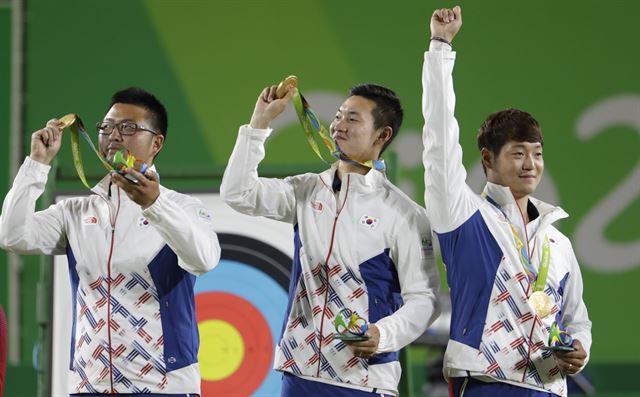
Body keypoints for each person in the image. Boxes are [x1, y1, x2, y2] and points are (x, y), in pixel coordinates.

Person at [221, 83, 441, 396]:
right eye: (338, 116)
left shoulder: (405, 214)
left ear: (382, 135)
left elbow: (424, 299)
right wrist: (259, 124)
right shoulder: (305, 192)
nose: (338, 125)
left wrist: (383, 334)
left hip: (364, 381)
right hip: (299, 372)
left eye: (353, 119)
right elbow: (237, 193)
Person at [0, 87, 221, 396]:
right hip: (88, 386)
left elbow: (205, 259)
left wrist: (155, 205)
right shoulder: (76, 212)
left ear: (156, 143)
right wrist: (37, 164)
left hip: (163, 388)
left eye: (129, 127)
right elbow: (12, 235)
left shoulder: (183, 208)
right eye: (107, 127)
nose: (114, 136)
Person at [422, 6, 592, 397]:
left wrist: (580, 349)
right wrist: (440, 50)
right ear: (487, 159)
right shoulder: (465, 216)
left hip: (548, 386)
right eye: (517, 153)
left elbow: (576, 319)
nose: (530, 164)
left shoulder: (557, 243)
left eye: (537, 153)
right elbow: (439, 141)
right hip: (487, 383)